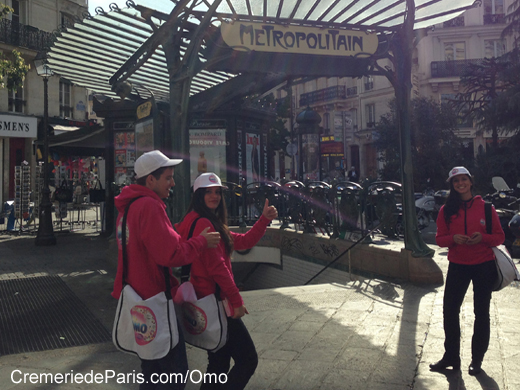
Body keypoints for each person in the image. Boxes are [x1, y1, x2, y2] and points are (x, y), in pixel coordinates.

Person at [112, 150, 221, 390]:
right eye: (168, 177)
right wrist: (201, 242)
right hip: (156, 300)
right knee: (174, 373)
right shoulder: (151, 206)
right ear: (151, 180)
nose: (173, 183)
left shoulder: (127, 208)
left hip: (137, 299)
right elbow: (171, 254)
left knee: (151, 368)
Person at [175, 172, 278, 390]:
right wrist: (236, 300)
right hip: (216, 302)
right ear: (197, 194)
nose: (214, 196)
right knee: (247, 359)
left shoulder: (193, 220)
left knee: (218, 364)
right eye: (208, 192)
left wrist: (263, 219)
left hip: (203, 299)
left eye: (217, 192)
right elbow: (217, 268)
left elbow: (242, 241)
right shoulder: (204, 222)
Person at [430, 166, 505, 376]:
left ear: (470, 181)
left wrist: (484, 238)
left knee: (481, 314)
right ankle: (451, 356)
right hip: (458, 266)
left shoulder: (486, 208)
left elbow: (499, 237)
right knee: (449, 311)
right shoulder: (446, 210)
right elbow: (439, 239)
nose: (460, 183)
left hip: (483, 265)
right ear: (452, 185)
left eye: (464, 179)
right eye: (456, 181)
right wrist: (452, 239)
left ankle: (477, 361)